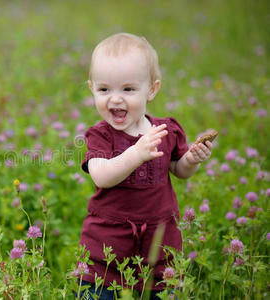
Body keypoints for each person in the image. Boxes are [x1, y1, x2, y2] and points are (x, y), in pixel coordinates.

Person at [77, 33, 213, 299]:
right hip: (107, 256)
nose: (115, 99)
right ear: (91, 88)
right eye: (104, 89)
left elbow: (178, 170)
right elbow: (101, 175)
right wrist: (135, 154)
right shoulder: (100, 135)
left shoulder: (165, 131)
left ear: (151, 89)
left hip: (159, 248)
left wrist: (191, 160)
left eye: (128, 89)